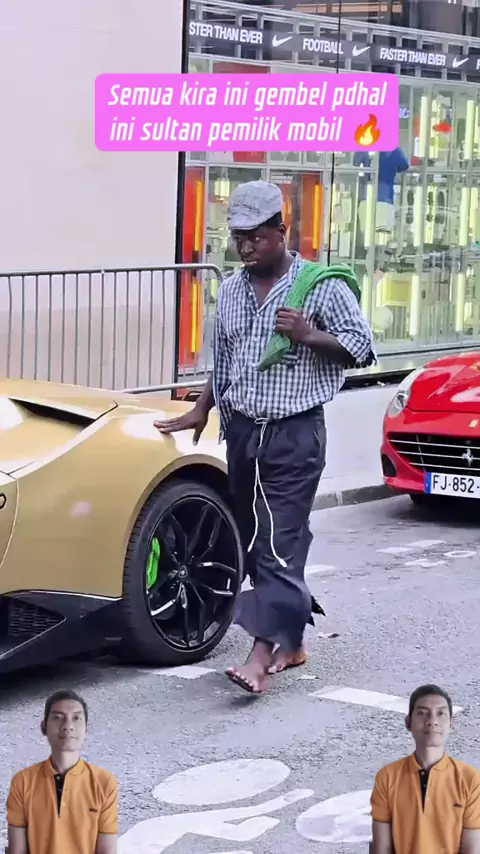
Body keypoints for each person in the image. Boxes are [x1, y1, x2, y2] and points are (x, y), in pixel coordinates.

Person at [155, 179, 375, 694]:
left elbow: (363, 348)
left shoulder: (320, 287)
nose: (247, 246)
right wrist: (202, 409)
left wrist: (309, 335)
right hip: (243, 433)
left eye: (257, 236)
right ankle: (292, 639)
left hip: (295, 434)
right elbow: (227, 361)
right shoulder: (231, 290)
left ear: (282, 230)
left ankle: (259, 655)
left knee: (277, 542)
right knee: (256, 539)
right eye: (239, 238)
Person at [371, 683, 480, 854]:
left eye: (441, 713)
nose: (432, 721)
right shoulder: (387, 777)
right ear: (408, 722)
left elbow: (471, 849)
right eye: (422, 713)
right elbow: (382, 848)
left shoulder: (470, 779)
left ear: (451, 723)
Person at [6, 689, 118, 854]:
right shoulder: (22, 782)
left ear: (86, 727)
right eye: (57, 718)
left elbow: (107, 851)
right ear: (44, 727)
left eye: (76, 718)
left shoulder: (104, 782)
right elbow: (17, 850)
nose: (67, 726)